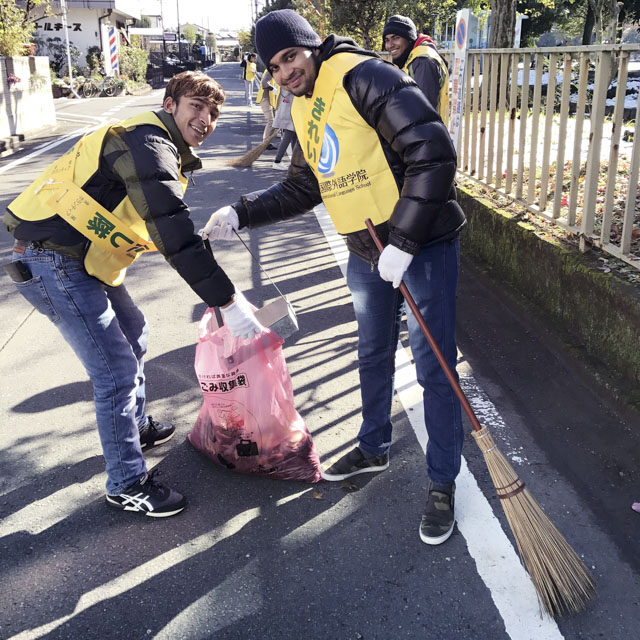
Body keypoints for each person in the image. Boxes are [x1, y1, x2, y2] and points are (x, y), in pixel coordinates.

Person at [201, 10, 466, 545]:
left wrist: (407, 240)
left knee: (433, 365)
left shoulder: (363, 75)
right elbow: (306, 184)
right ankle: (373, 446)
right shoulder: (304, 106)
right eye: (273, 66)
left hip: (422, 247)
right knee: (371, 353)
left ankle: (442, 483)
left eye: (290, 57)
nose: (284, 72)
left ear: (311, 46)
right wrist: (242, 212)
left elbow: (433, 152)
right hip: (365, 251)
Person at [3, 71, 263, 518]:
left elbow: (163, 227)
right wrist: (227, 300)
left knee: (135, 333)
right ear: (170, 104)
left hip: (83, 259)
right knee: (116, 372)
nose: (206, 119)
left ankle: (136, 426)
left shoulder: (158, 145)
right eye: (195, 107)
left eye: (213, 112)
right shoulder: (147, 142)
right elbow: (171, 230)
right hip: (55, 261)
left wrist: (197, 239)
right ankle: (125, 482)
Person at [383, 14, 449, 124]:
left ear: (409, 39)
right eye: (387, 40)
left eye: (396, 38)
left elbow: (422, 113)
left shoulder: (423, 62)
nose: (390, 45)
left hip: (424, 137)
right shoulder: (411, 60)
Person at [271, 87, 297, 171]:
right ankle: (277, 161)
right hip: (290, 112)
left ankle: (294, 163)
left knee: (294, 138)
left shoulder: (285, 80)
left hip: (289, 111)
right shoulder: (289, 84)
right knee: (288, 138)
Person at [256, 69, 279, 149]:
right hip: (265, 99)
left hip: (271, 99)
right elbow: (264, 83)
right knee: (271, 120)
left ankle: (267, 141)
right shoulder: (271, 70)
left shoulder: (274, 70)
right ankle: (266, 143)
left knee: (274, 121)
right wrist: (273, 89)